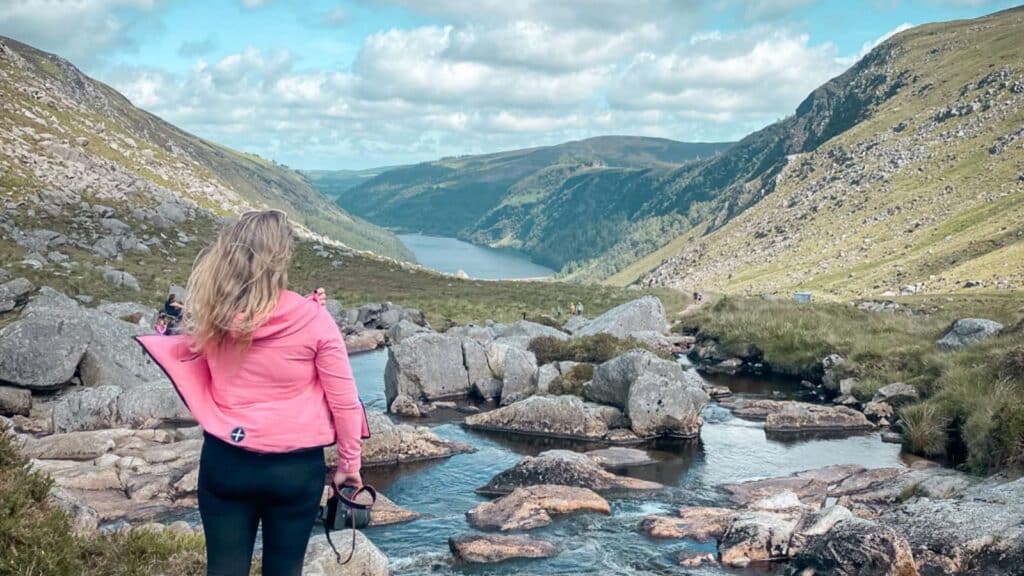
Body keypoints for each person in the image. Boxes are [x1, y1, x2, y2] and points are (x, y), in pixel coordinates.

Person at [137, 210, 367, 576]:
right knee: (285, 569)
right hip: (295, 469)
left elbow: (184, 348)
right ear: (282, 258)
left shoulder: (212, 315)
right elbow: (344, 402)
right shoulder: (313, 320)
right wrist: (349, 466)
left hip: (226, 462)